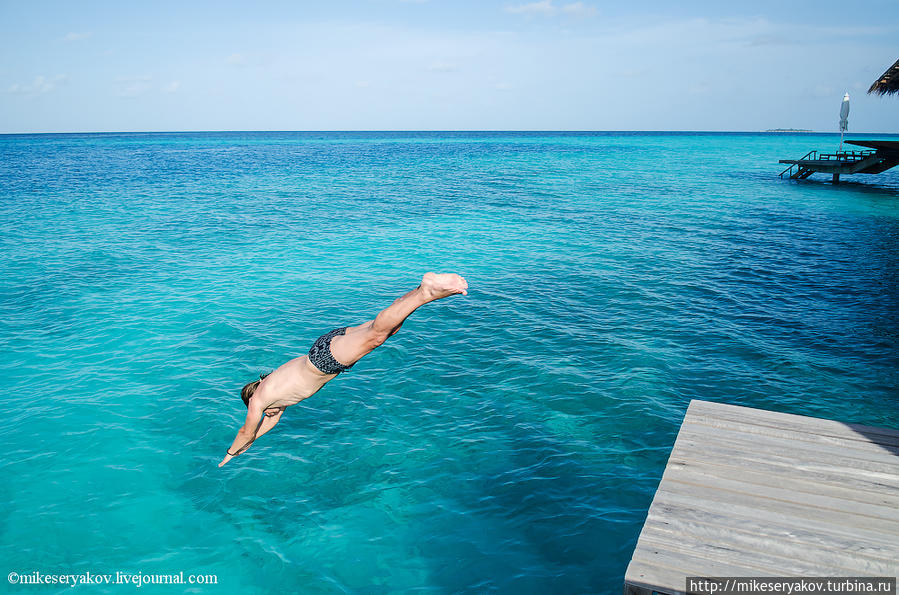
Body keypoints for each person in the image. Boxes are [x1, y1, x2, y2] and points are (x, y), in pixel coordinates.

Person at [218, 272, 468, 467]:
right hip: (322, 346)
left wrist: (231, 452)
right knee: (384, 329)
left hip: (324, 361)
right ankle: (424, 291)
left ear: (251, 398)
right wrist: (250, 444)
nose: (271, 413)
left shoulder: (259, 401)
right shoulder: (272, 389)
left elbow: (246, 429)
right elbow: (268, 424)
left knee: (377, 335)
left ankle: (426, 291)